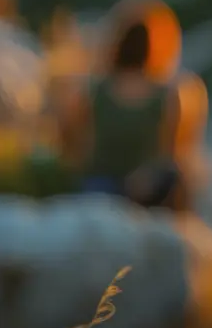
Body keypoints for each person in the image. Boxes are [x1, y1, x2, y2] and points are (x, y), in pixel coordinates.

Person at [78, 14, 183, 207]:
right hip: (146, 187)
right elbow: (170, 153)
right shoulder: (166, 95)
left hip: (100, 182)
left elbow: (83, 141)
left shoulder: (97, 90)